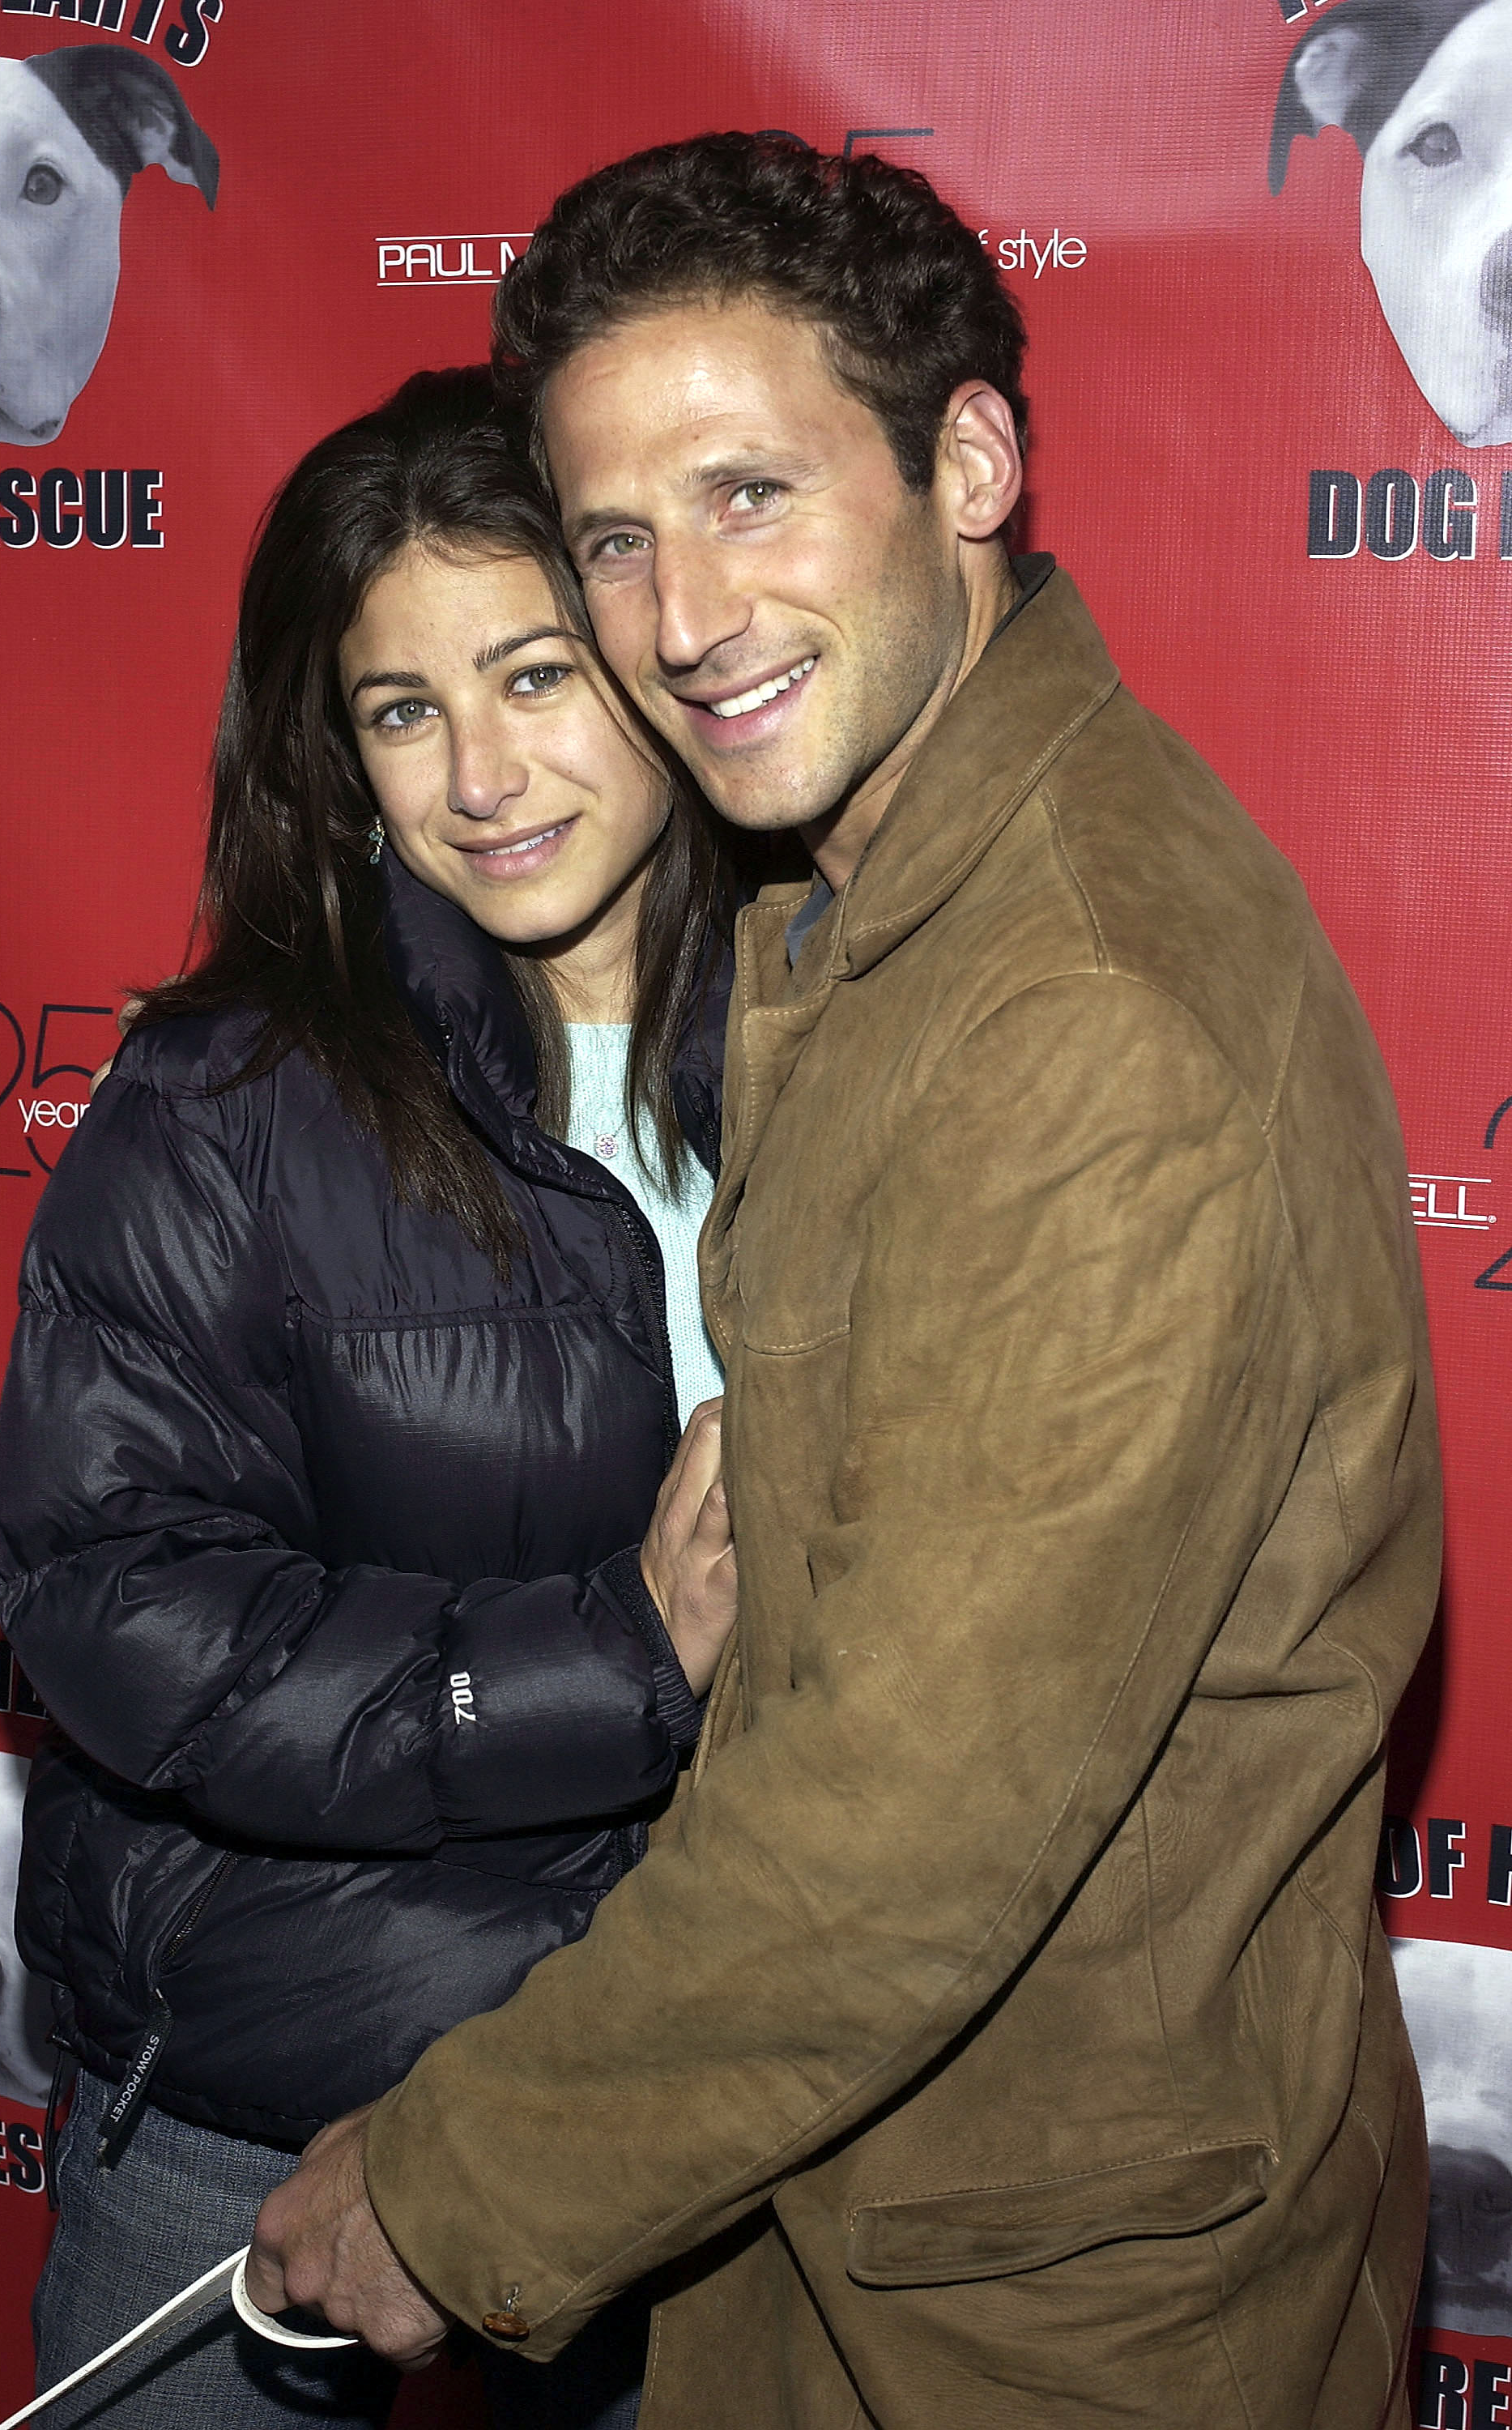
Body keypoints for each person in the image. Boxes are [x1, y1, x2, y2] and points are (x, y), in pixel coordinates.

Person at [250, 138, 1443, 2430]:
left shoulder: (1077, 1004)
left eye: (751, 494)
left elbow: (910, 1826)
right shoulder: (895, 899)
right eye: (618, 535)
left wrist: (454, 2176)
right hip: (899, 2224)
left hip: (1042, 2319)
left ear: (967, 461)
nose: (682, 614)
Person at [0, 365, 742, 2430]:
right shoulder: (227, 1098)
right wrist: (617, 1657)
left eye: (532, 675)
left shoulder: (846, 1044)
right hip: (261, 2111)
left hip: (682, 2118)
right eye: (404, 710)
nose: (480, 773)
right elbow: (117, 1600)